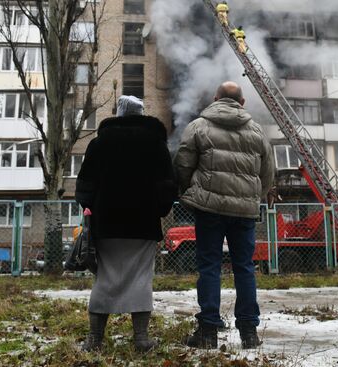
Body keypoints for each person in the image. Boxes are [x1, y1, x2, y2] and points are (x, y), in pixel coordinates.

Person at [174, 82, 275, 349]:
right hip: (244, 213)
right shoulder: (256, 130)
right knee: (244, 268)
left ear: (215, 98)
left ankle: (207, 332)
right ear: (242, 103)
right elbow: (267, 174)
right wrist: (252, 197)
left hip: (209, 209)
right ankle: (249, 333)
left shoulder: (198, 126)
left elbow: (183, 164)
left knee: (209, 266)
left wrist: (191, 192)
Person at [76, 95, 177, 352]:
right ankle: (141, 339)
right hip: (143, 223)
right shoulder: (156, 144)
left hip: (106, 223)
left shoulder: (99, 144)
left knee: (105, 278)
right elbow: (167, 185)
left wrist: (89, 208)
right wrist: (159, 209)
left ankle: (94, 340)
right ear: (141, 114)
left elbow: (86, 183)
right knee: (141, 279)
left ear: (119, 114)